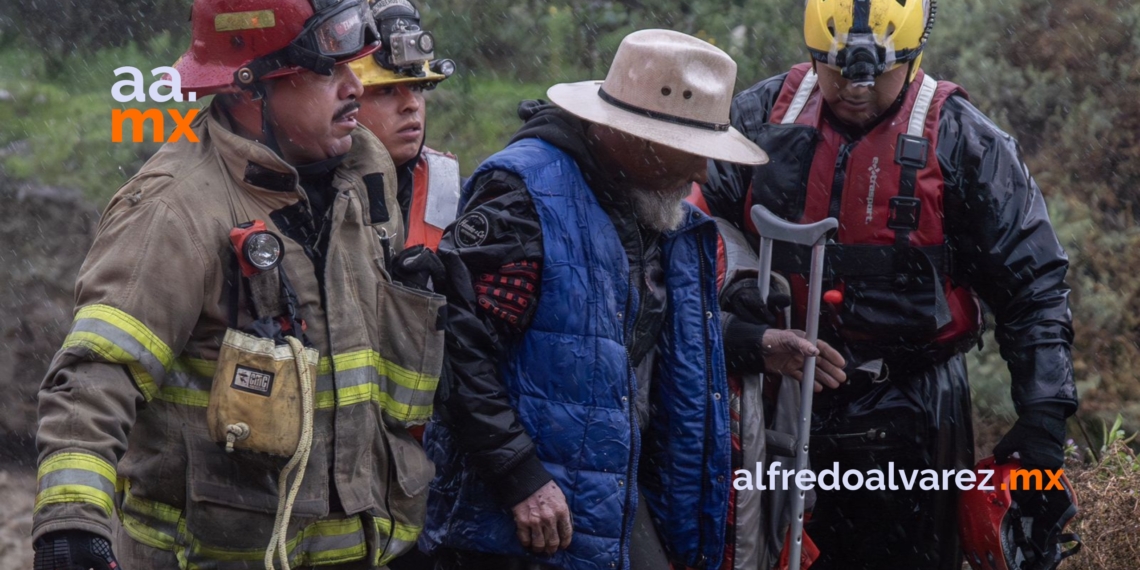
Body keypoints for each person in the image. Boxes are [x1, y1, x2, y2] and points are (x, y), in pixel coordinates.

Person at [30, 1, 445, 568]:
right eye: (327, 70)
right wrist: (72, 525)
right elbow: (97, 375)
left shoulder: (364, 175)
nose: (354, 86)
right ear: (250, 90)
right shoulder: (173, 209)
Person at [699, 0, 1078, 568]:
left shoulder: (964, 141)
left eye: (877, 75)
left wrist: (1043, 415)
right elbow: (689, 231)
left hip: (917, 406)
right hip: (778, 394)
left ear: (914, 55)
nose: (855, 89)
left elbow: (1034, 282)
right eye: (836, 71)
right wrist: (737, 326)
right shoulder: (757, 119)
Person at [420, 29, 767, 570]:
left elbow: (619, 330)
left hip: (612, 502)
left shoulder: (651, 211)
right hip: (518, 523)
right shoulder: (523, 197)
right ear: (640, 138)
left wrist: (755, 340)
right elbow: (454, 347)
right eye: (693, 152)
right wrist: (519, 476)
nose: (703, 173)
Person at [351, 0, 461, 252]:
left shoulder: (450, 186)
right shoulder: (310, 194)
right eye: (386, 91)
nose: (411, 104)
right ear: (344, 96)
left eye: (416, 87)